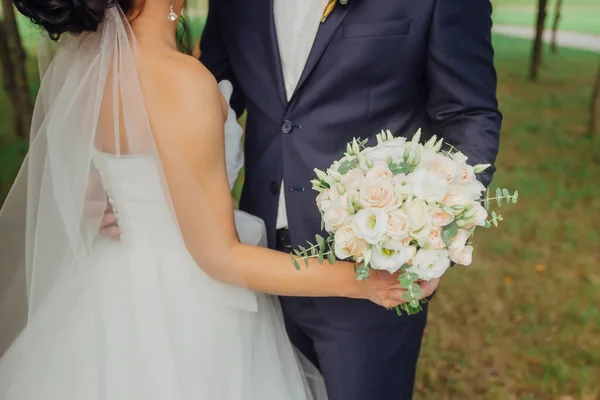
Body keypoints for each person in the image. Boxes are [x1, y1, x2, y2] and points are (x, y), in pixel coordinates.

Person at [0, 0, 438, 399]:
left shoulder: (89, 70)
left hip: (110, 288)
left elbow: (105, 170)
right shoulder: (180, 79)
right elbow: (220, 257)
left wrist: (96, 194)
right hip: (189, 308)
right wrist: (364, 281)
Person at [200, 0, 501, 398]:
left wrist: (435, 228)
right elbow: (208, 102)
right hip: (255, 263)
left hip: (373, 271)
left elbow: (468, 115)